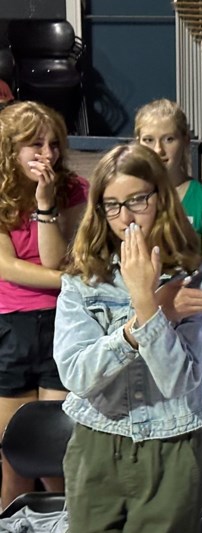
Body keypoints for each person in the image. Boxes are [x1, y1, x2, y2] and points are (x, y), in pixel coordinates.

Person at [53, 143, 202, 533]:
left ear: (163, 199)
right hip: (95, 447)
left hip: (168, 450)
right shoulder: (82, 280)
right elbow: (78, 374)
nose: (126, 216)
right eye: (112, 204)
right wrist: (142, 321)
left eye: (139, 201)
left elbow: (180, 381)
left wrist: (148, 305)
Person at [0, 101, 87, 509]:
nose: (47, 154)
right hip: (11, 326)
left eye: (54, 144)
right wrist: (72, 279)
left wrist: (46, 202)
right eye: (35, 145)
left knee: (58, 455)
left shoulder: (74, 190)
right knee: (14, 458)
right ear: (10, 149)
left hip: (61, 321)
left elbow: (55, 258)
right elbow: (7, 266)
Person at [135, 98, 202, 269]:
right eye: (148, 140)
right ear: (137, 142)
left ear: (185, 140)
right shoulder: (126, 197)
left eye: (169, 139)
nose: (158, 150)